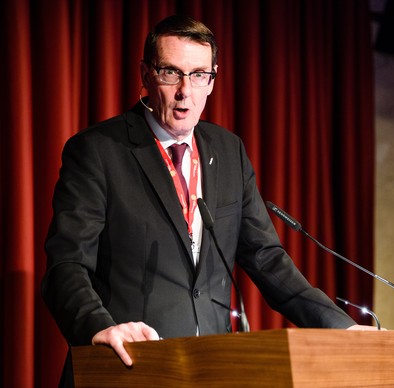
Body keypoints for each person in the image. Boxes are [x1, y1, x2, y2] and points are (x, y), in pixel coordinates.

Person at [41, 14, 376, 387]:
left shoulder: (228, 150)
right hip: (128, 367)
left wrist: (341, 326)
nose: (186, 90)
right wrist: (98, 328)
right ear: (147, 74)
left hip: (210, 370)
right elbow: (66, 264)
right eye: (171, 73)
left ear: (213, 79)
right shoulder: (99, 150)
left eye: (199, 75)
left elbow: (266, 259)